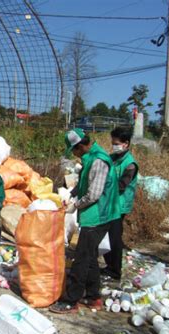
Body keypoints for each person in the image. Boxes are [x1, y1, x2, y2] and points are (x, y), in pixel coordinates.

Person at [49, 128, 120, 314]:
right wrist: (70, 195)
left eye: (74, 150)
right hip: (94, 214)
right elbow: (82, 184)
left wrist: (76, 205)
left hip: (99, 216)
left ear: (80, 146)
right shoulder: (89, 159)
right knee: (90, 256)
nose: (73, 154)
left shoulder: (98, 161)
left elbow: (94, 194)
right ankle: (93, 296)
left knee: (81, 258)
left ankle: (71, 300)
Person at [101, 127, 138, 280]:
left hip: (119, 205)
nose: (114, 146)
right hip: (109, 202)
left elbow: (121, 185)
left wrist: (101, 189)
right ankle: (109, 266)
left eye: (117, 143)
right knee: (108, 235)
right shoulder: (112, 158)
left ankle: (115, 271)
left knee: (114, 237)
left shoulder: (130, 165)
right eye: (113, 143)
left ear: (126, 144)